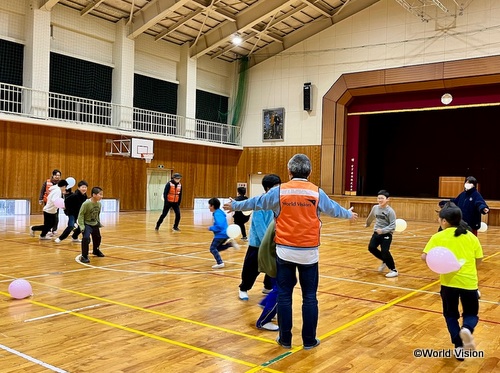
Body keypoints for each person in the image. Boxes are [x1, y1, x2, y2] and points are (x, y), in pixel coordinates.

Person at [224, 153, 358, 350]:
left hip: (284, 251)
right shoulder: (316, 192)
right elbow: (334, 210)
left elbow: (256, 202)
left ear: (289, 171)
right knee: (310, 296)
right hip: (309, 253)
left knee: (285, 295)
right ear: (310, 172)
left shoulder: (279, 191)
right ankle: (309, 340)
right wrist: (349, 214)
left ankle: (285, 339)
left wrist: (235, 205)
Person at [421, 202, 483, 361]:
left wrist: (437, 264)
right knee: (471, 314)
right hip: (469, 283)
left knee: (450, 315)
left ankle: (458, 343)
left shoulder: (438, 237)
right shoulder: (471, 237)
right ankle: (467, 329)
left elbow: (424, 257)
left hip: (448, 284)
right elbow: (479, 259)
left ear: (444, 221)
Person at [238, 175, 281, 301]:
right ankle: (243, 288)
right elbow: (259, 224)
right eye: (276, 186)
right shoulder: (260, 203)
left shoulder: (279, 202)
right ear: (268, 188)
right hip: (258, 243)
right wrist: (266, 242)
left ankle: (268, 286)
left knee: (272, 266)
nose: (278, 189)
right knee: (251, 268)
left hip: (274, 241)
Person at [365, 190, 399, 278]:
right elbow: (371, 216)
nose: (380, 200)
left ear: (387, 199)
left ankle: (393, 270)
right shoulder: (375, 208)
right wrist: (367, 224)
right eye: (378, 198)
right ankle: (384, 260)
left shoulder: (390, 211)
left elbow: (393, 225)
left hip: (387, 234)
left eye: (382, 198)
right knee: (371, 248)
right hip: (376, 232)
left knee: (385, 251)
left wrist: (383, 230)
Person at [208, 198, 239, 269]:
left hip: (220, 235)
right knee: (217, 248)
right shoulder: (219, 212)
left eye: (209, 205)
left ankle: (220, 262)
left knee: (212, 248)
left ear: (212, 206)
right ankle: (230, 244)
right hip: (225, 234)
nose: (209, 207)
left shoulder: (217, 214)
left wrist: (211, 228)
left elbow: (220, 225)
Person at [78, 186, 105, 263]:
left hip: (95, 224)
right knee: (86, 238)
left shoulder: (99, 204)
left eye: (102, 194)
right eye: (100, 194)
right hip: (87, 224)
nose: (101, 196)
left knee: (98, 238)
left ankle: (96, 250)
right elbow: (81, 215)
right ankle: (84, 256)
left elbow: (97, 214)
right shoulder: (86, 204)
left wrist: (98, 223)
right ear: (94, 195)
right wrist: (82, 226)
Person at [38, 169, 62, 236]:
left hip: (56, 203)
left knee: (56, 217)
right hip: (47, 202)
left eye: (59, 175)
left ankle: (54, 229)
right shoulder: (47, 182)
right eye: (56, 175)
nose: (57, 177)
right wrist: (40, 199)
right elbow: (42, 191)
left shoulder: (60, 184)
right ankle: (48, 230)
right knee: (47, 217)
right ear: (53, 175)